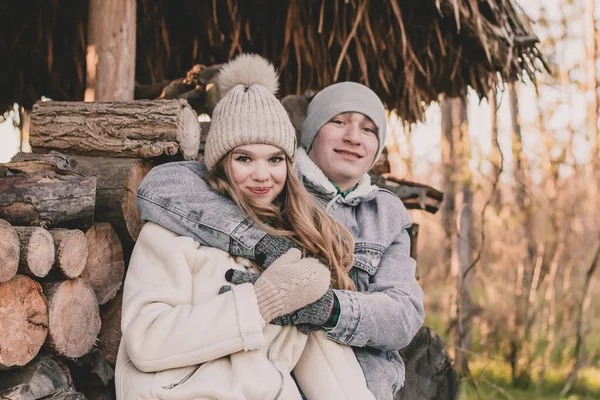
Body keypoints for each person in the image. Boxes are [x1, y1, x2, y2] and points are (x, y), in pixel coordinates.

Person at [137, 63, 425, 400]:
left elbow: (404, 315)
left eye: (368, 129)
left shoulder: (387, 214)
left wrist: (330, 308)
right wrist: (261, 242)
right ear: (312, 131)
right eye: (339, 121)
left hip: (354, 380)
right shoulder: (278, 193)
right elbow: (163, 186)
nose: (353, 137)